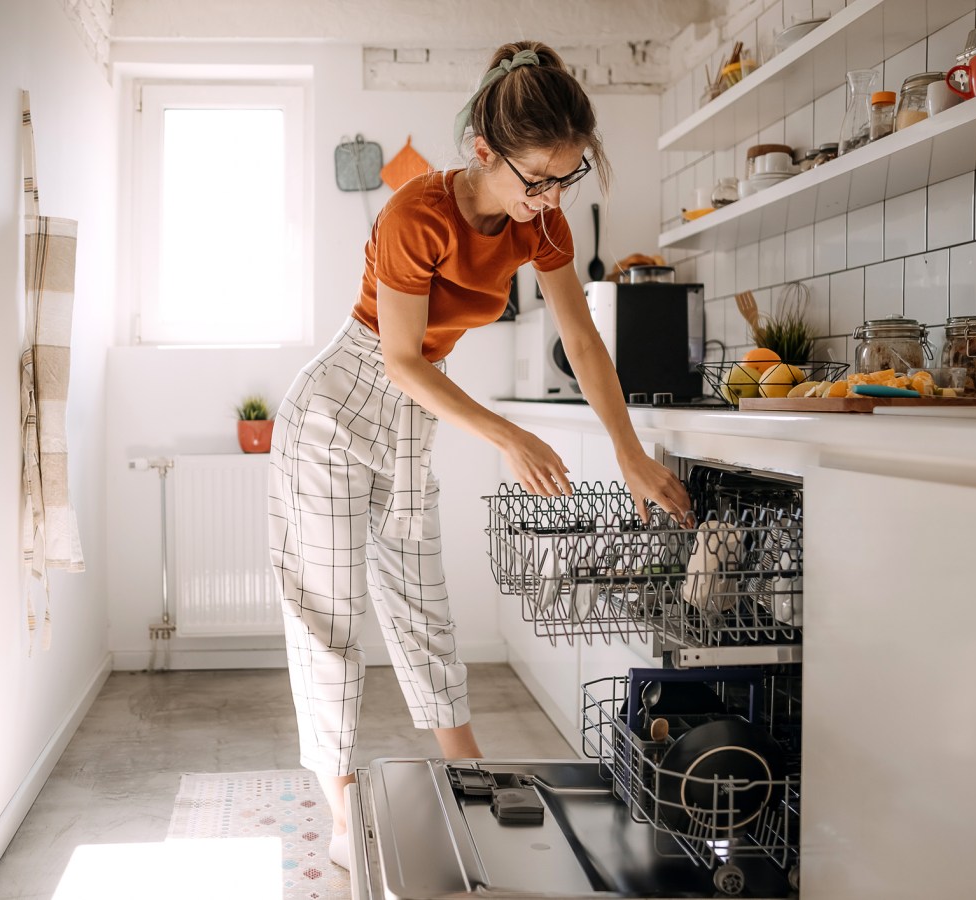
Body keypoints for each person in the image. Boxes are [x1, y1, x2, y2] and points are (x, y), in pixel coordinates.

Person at [267, 39, 692, 870]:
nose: (549, 197)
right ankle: (347, 809)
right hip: (335, 408)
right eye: (536, 178)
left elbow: (582, 337)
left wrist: (630, 452)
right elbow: (398, 358)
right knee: (328, 620)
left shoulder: (542, 222)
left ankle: (471, 774)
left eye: (565, 178)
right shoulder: (415, 214)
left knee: (421, 598)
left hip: (413, 415)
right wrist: (505, 432)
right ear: (483, 151)